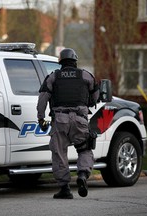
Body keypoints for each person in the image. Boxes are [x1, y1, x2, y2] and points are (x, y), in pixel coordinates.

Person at [37, 48, 99, 199]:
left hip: (60, 119)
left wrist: (41, 118)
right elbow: (95, 96)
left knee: (59, 153)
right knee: (84, 149)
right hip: (80, 119)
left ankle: (65, 188)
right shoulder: (86, 75)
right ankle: (83, 175)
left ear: (60, 62)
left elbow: (42, 99)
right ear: (75, 61)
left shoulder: (53, 77)